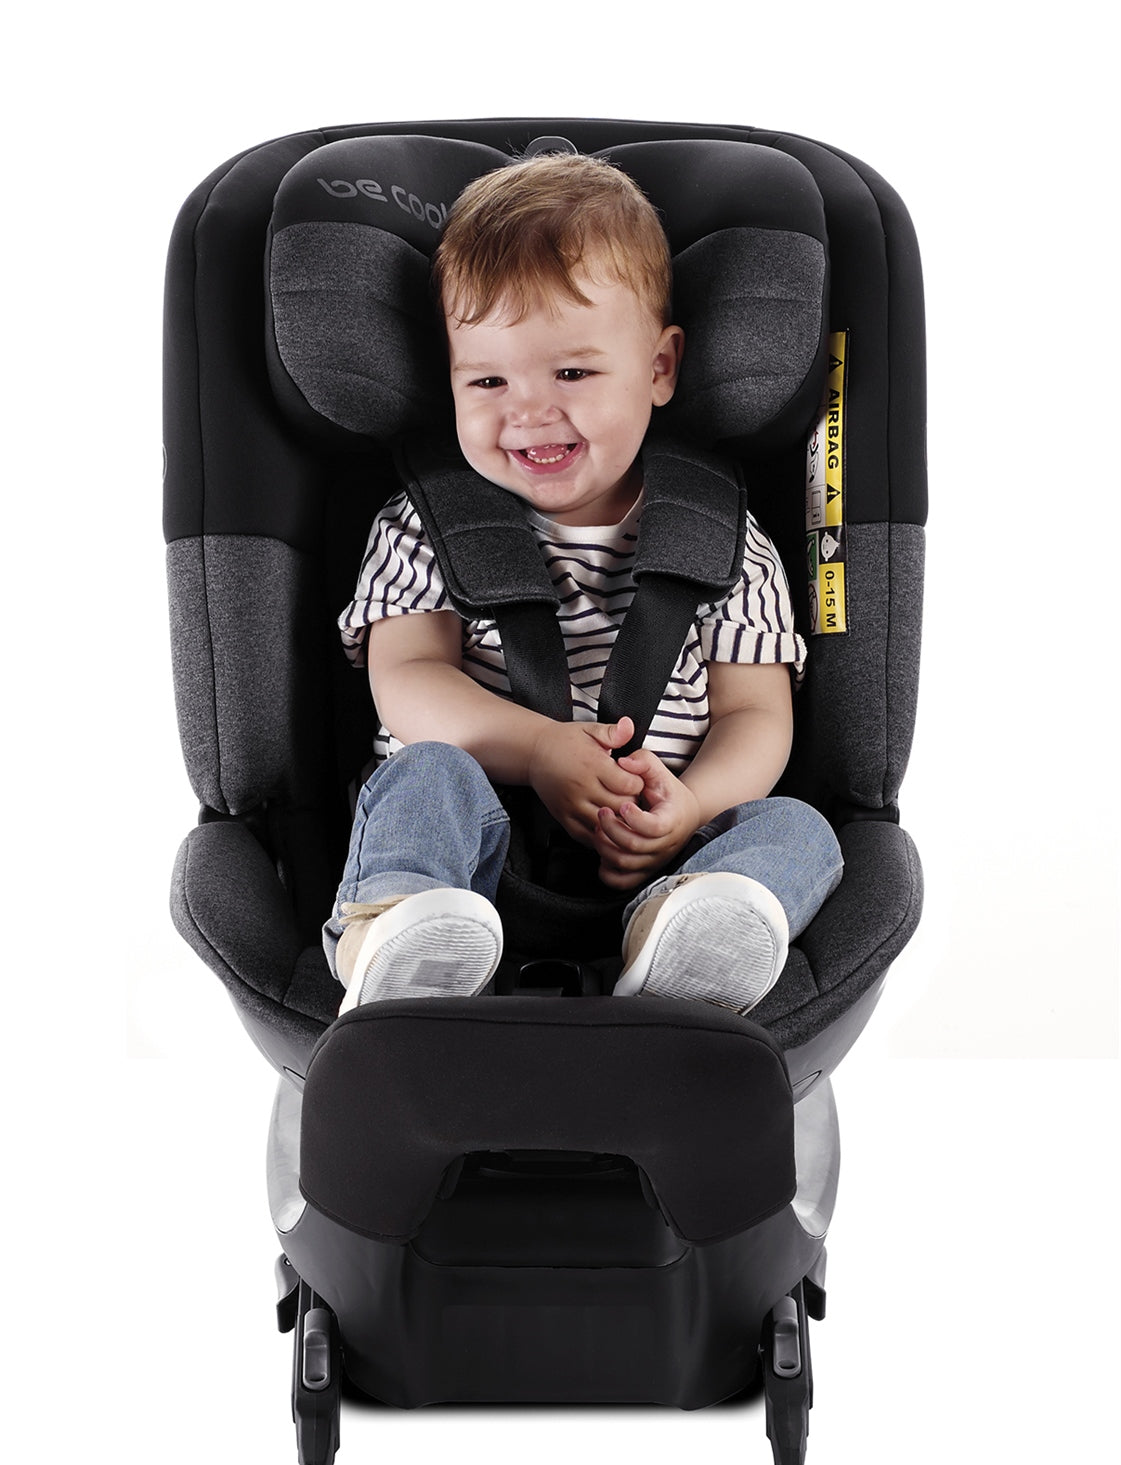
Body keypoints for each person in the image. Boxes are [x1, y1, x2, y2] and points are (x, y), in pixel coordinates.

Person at [325, 153, 842, 1013]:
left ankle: (688, 940)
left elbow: (757, 714)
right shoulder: (423, 525)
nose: (526, 411)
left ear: (660, 368)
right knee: (423, 781)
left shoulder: (727, 544)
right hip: (480, 851)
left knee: (799, 830)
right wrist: (536, 749)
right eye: (487, 380)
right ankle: (399, 933)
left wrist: (689, 806)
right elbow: (405, 678)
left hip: (662, 843)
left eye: (571, 373)